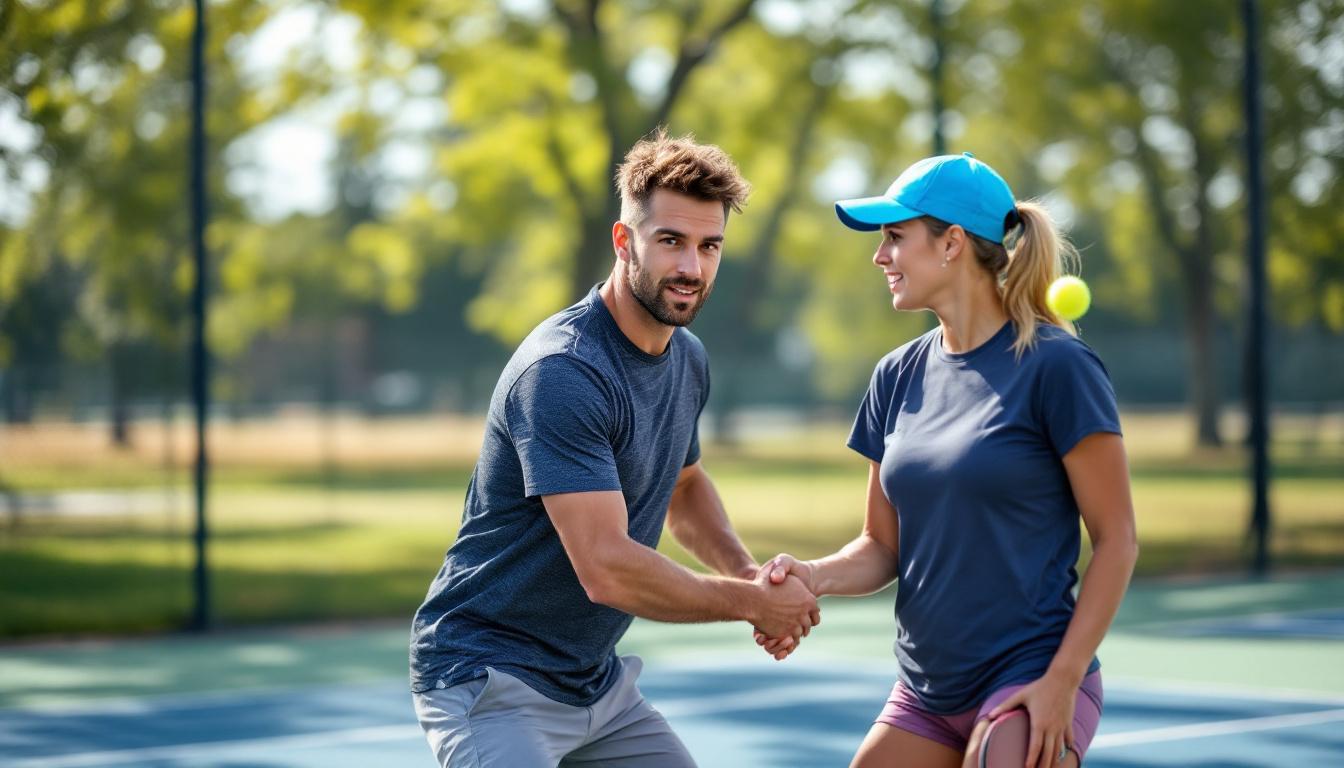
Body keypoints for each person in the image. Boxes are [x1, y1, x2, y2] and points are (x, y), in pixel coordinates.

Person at [409, 129, 819, 768]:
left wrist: (746, 574)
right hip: (490, 675)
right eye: (671, 242)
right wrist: (753, 603)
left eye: (709, 247)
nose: (691, 267)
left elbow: (683, 487)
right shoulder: (564, 371)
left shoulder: (686, 357)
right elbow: (606, 567)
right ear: (624, 241)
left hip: (596, 686)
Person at [757, 153, 1139, 768]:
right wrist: (811, 574)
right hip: (926, 692)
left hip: (1032, 676)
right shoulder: (895, 375)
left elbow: (1118, 539)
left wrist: (1061, 682)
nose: (881, 256)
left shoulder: (1058, 367)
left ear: (952, 243)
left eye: (895, 237)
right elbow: (881, 547)